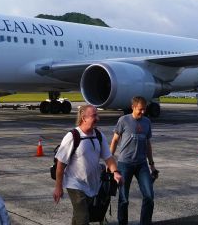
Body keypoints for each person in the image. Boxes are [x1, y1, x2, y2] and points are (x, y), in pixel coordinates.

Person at [53, 105, 122, 225]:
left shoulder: (99, 135)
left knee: (79, 216)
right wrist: (58, 187)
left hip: (92, 184)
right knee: (84, 218)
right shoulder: (72, 136)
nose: (98, 118)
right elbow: (60, 164)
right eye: (94, 116)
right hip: (75, 183)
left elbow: (108, 157)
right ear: (84, 118)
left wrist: (115, 172)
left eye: (97, 115)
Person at [110, 96, 156, 225]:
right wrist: (110, 162)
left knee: (149, 196)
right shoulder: (123, 120)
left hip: (142, 165)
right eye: (140, 109)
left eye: (144, 109)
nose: (143, 112)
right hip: (125, 164)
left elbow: (148, 144)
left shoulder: (147, 122)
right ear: (133, 107)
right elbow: (114, 140)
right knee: (124, 199)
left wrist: (152, 164)